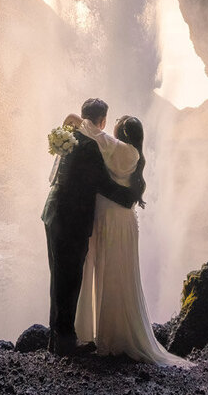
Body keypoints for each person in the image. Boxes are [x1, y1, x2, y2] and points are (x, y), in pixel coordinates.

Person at [71, 111, 191, 368]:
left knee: (105, 271)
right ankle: (112, 333)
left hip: (109, 219)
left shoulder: (121, 149)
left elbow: (92, 131)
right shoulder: (133, 154)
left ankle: (104, 336)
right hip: (122, 221)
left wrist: (74, 118)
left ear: (123, 133)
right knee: (119, 274)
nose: (111, 127)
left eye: (116, 125)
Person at [41, 97, 136, 356]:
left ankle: (56, 339)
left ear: (84, 116)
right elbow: (103, 184)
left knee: (58, 277)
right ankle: (65, 344)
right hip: (72, 220)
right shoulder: (91, 147)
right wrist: (131, 198)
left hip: (53, 213)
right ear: (103, 120)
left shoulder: (69, 136)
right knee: (70, 280)